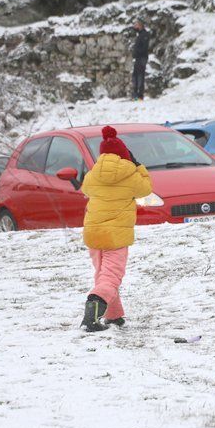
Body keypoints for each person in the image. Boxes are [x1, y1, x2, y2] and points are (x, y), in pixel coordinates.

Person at [80, 126, 153, 331]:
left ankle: (113, 315)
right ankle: (92, 314)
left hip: (93, 232)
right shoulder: (131, 175)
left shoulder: (93, 174)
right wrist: (138, 166)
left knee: (103, 274)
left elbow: (85, 189)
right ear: (125, 154)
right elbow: (146, 189)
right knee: (111, 276)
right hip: (115, 236)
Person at [131, 19, 150, 101]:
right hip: (138, 58)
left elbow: (144, 48)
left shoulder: (144, 34)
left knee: (140, 76)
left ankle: (140, 96)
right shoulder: (139, 35)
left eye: (136, 25)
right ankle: (135, 95)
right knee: (135, 76)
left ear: (140, 25)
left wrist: (137, 52)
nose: (134, 26)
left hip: (142, 58)